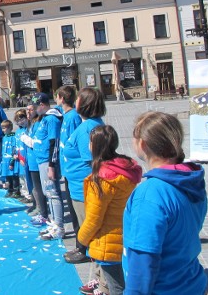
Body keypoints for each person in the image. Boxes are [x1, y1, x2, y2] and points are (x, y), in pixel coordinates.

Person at [123, 112, 207, 295]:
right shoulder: (191, 179)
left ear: (142, 144)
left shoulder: (150, 194)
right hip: (190, 283)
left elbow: (143, 263)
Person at [77, 125, 141, 295]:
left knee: (116, 287)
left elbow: (94, 218)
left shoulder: (101, 179)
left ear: (95, 145)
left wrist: (81, 239)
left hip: (107, 239)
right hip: (125, 234)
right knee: (123, 281)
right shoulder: (125, 169)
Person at [61, 87, 106, 264]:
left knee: (87, 224)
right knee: (84, 223)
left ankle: (91, 256)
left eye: (78, 99)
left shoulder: (87, 128)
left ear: (84, 104)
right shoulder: (90, 124)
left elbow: (92, 162)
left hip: (83, 187)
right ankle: (84, 249)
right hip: (78, 184)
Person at [22, 92, 64, 240]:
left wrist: (52, 164)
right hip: (40, 159)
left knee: (53, 192)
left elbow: (54, 142)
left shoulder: (52, 119)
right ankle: (53, 222)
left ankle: (58, 226)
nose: (33, 110)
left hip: (47, 160)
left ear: (42, 105)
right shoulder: (43, 119)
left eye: (35, 107)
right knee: (48, 193)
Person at [55, 86, 84, 262]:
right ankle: (78, 245)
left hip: (73, 169)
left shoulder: (72, 117)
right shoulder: (65, 115)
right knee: (73, 210)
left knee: (77, 211)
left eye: (57, 97)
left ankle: (82, 247)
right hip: (67, 168)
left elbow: (75, 142)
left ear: (61, 98)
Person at [0, 120, 21, 198]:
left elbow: (14, 149)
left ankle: (16, 191)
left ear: (10, 128)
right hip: (5, 161)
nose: (3, 130)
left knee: (14, 177)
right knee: (8, 177)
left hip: (11, 160)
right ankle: (10, 190)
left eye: (4, 128)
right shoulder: (4, 138)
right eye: (2, 128)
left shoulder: (13, 137)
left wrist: (12, 162)